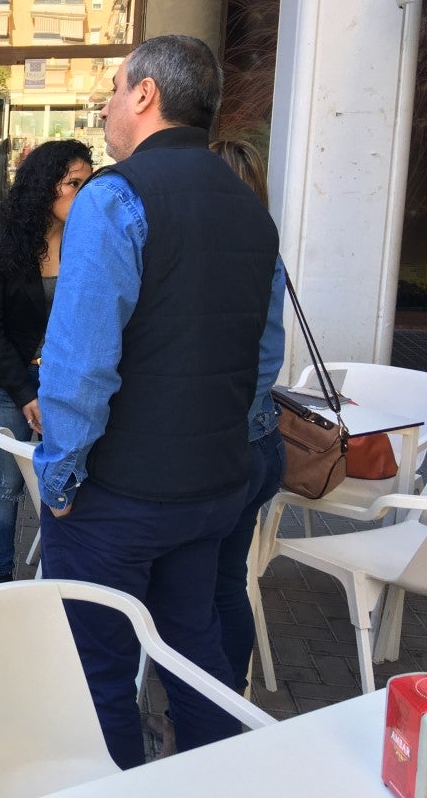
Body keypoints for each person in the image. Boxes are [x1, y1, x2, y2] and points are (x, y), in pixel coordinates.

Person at [32, 35, 278, 768]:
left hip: (119, 497)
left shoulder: (114, 197)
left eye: (114, 87)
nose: (106, 104)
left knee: (98, 673)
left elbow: (79, 367)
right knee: (193, 653)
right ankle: (213, 777)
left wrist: (59, 478)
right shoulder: (250, 209)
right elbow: (263, 358)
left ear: (145, 94)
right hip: (212, 487)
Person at [0, 140, 92, 585]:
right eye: (74, 183)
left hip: (68, 382)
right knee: (6, 485)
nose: (82, 194)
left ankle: (59, 576)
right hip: (7, 380)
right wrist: (23, 393)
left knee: (66, 480)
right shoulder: (0, 244)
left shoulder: (87, 243)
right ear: (44, 185)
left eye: (87, 183)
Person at [210, 138, 286, 694]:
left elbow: (253, 365)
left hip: (233, 447)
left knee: (208, 586)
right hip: (260, 440)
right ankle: (225, 699)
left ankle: (208, 708)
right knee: (225, 581)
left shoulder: (224, 261)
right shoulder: (265, 251)